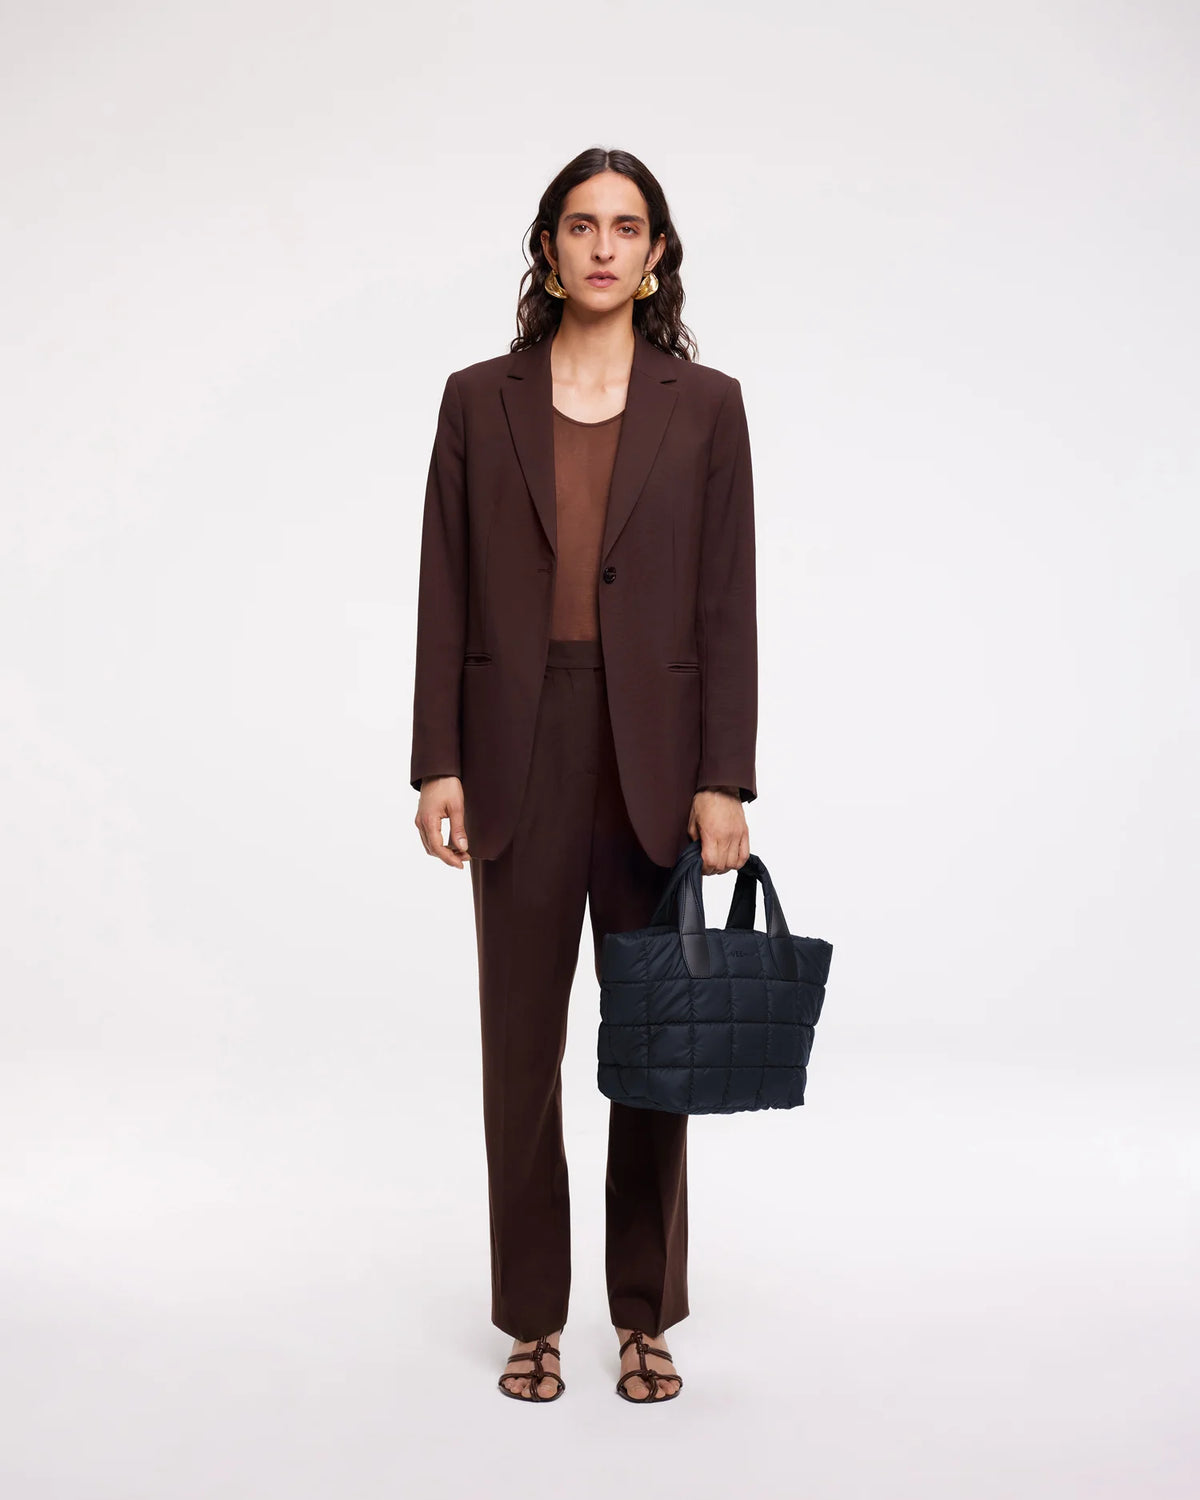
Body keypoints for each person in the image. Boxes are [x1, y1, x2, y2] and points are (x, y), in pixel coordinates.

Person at [410, 146, 758, 1403]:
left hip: (657, 759)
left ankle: (641, 1309)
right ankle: (530, 1313)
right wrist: (436, 757)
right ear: (547, 250)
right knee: (520, 1043)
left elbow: (728, 603)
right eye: (579, 225)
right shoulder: (475, 398)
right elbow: (443, 581)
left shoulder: (707, 405)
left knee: (654, 1037)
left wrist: (724, 776)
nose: (603, 246)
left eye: (627, 226)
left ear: (657, 253)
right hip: (517, 742)